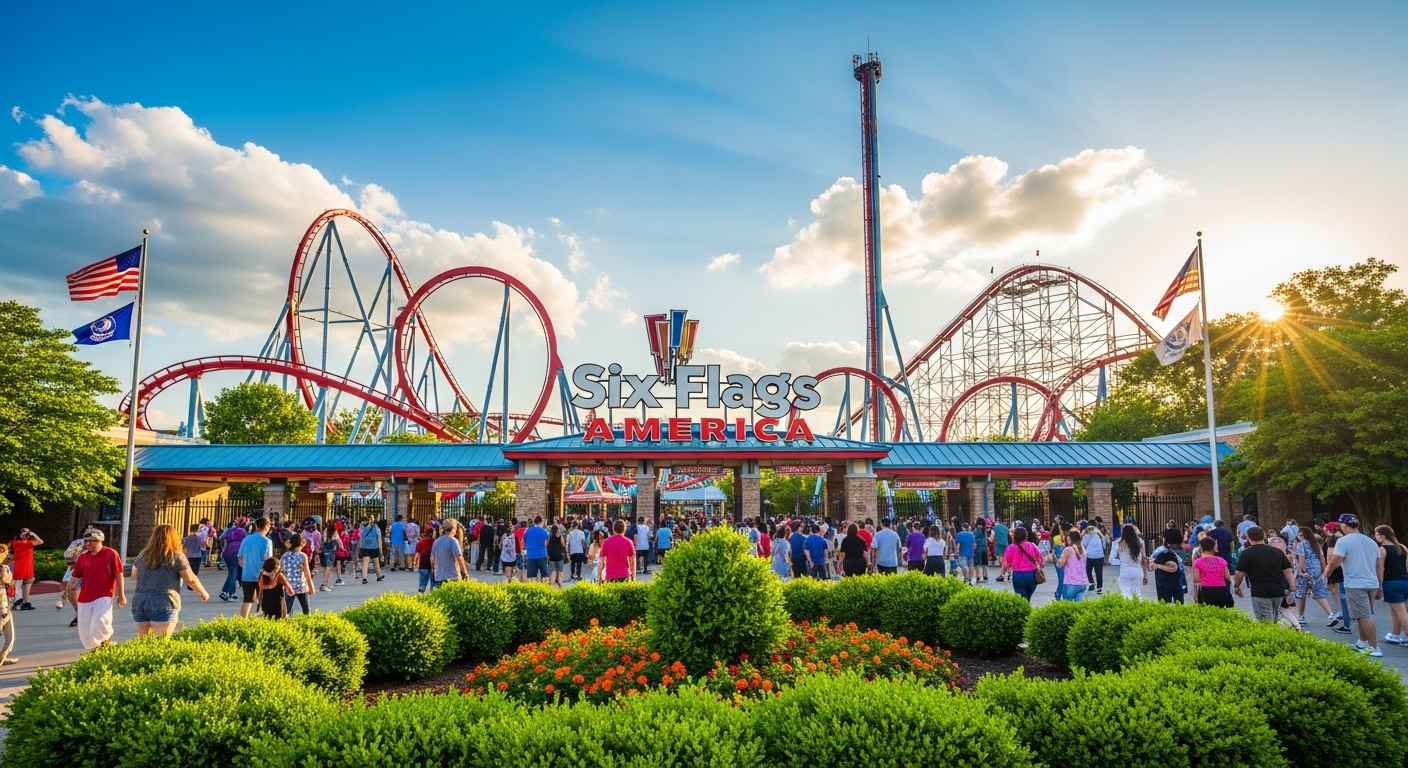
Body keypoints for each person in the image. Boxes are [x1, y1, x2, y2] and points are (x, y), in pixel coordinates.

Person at [131, 524, 209, 637]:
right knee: (161, 642)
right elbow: (191, 579)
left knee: (143, 642)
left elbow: (134, 575)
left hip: (140, 601)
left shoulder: (143, 555)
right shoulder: (176, 556)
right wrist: (203, 592)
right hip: (164, 601)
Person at [1325, 514, 1383, 657]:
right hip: (1372, 582)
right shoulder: (1371, 541)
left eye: (1341, 525)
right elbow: (1378, 565)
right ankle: (1362, 642)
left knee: (1364, 616)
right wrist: (1380, 585)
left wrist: (1325, 575)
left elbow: (1335, 561)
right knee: (1362, 614)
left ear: (1344, 525)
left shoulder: (1343, 541)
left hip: (1355, 583)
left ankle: (1374, 647)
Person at [68, 529, 125, 649]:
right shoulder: (82, 558)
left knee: (101, 622)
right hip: (85, 597)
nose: (87, 544)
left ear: (99, 541)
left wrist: (121, 595)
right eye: (86, 541)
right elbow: (74, 577)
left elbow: (119, 574)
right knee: (85, 626)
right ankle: (95, 647)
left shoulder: (110, 554)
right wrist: (66, 592)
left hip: (104, 595)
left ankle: (105, 643)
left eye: (91, 541)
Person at [1233, 526, 1296, 625]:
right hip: (1278, 590)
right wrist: (1292, 585)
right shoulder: (1277, 551)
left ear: (1248, 538)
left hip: (1260, 591)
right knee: (1275, 618)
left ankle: (1272, 638)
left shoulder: (1246, 553)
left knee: (1265, 621)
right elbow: (1288, 570)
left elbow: (1239, 573)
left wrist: (1237, 586)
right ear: (1264, 536)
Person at [1292, 527, 1335, 626]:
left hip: (1306, 570)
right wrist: (1324, 572)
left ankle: (1301, 616)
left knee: (1301, 593)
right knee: (1319, 592)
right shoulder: (1315, 544)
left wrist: (1300, 570)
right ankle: (1331, 614)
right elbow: (1322, 558)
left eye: (1300, 535)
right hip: (1316, 569)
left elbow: (1301, 558)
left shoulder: (1301, 544)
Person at [1374, 526, 1408, 646]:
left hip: (1391, 582)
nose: (1375, 537)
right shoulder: (1403, 547)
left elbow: (1380, 567)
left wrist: (1379, 584)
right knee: (1395, 610)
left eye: (1376, 534)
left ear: (1382, 536)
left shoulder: (1382, 549)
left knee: (1401, 611)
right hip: (1405, 580)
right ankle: (1395, 634)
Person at [1001, 527, 1043, 602]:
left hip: (1018, 575)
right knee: (1028, 598)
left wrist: (1003, 572)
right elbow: (1039, 557)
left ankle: (1025, 611)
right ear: (1025, 535)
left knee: (1022, 599)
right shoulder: (1032, 545)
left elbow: (1006, 562)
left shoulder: (1011, 547)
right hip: (1031, 575)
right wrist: (1041, 565)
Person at [1192, 537, 1234, 608]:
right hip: (1221, 589)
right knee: (1221, 611)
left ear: (1201, 548)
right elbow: (1227, 576)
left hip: (1206, 590)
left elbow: (1196, 579)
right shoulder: (1221, 560)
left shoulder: (1197, 562)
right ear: (1213, 547)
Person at [280, 534, 314, 616]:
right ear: (300, 545)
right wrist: (311, 586)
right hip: (301, 586)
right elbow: (307, 573)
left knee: (286, 611)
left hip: (289, 586)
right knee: (306, 610)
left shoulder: (284, 556)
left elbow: (281, 571)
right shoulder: (302, 556)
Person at [8, 528, 42, 610]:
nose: (27, 533)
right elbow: (40, 541)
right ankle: (18, 601)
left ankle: (25, 602)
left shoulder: (19, 542)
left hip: (26, 566)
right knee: (18, 585)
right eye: (24, 532)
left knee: (26, 584)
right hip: (21, 566)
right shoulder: (24, 542)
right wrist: (33, 534)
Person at [1150, 529, 1185, 604]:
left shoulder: (1160, 550)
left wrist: (1157, 565)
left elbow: (1151, 564)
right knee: (1179, 603)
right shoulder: (1183, 551)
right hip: (1179, 580)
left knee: (1164, 603)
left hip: (1162, 581)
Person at [431, 520, 468, 588]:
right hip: (452, 575)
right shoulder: (453, 541)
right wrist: (464, 572)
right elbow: (459, 557)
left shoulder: (436, 542)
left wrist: (434, 569)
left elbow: (432, 559)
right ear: (453, 529)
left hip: (439, 576)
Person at [218, 519, 248, 602]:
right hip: (237, 553)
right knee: (234, 573)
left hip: (227, 553)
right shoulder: (243, 532)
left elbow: (220, 538)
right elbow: (246, 543)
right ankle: (225, 591)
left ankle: (232, 593)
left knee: (232, 573)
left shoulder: (229, 530)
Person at [1115, 525, 1148, 599]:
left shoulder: (1120, 543)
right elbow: (1144, 560)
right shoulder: (1139, 543)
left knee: (1126, 594)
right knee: (1137, 594)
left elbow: (1115, 557)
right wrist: (1145, 575)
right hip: (1138, 571)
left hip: (1125, 571)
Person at [1056, 529, 1089, 602]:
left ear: (1070, 538)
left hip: (1070, 582)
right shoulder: (1083, 549)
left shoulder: (1068, 549)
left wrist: (1055, 560)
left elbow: (1061, 564)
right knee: (1080, 608)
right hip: (1083, 583)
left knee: (1067, 607)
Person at [0, 544, 16, 665]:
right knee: (8, 634)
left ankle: (3, 656)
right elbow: (8, 580)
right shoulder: (4, 568)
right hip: (2, 604)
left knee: (10, 634)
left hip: (5, 603)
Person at [523, 517, 550, 583]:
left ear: (534, 522)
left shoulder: (527, 531)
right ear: (541, 522)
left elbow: (525, 543)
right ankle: (545, 589)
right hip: (542, 555)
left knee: (531, 577)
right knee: (544, 575)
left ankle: (533, 590)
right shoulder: (545, 532)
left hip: (531, 555)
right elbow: (547, 543)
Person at [358, 518, 385, 584]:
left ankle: (364, 578)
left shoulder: (363, 529)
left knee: (365, 564)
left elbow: (361, 539)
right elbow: (379, 540)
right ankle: (378, 575)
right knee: (376, 562)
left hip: (365, 547)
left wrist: (360, 547)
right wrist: (381, 550)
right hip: (374, 547)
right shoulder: (377, 529)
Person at [1081, 524, 1106, 595]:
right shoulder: (1099, 535)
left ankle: (1091, 583)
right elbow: (1104, 542)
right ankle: (1099, 588)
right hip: (1099, 556)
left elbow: (1083, 544)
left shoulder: (1086, 536)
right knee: (1099, 572)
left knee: (1088, 571)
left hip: (1090, 556)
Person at [415, 526, 437, 592]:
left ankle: (421, 593)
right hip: (432, 564)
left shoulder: (421, 541)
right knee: (433, 583)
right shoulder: (435, 542)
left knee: (422, 582)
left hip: (423, 564)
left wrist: (415, 563)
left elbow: (417, 552)